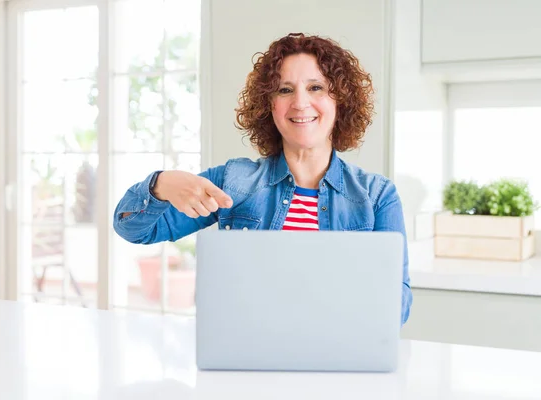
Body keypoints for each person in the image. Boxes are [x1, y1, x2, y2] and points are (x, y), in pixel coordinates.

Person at [114, 33, 413, 324]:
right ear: (269, 105)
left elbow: (397, 308)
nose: (300, 102)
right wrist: (161, 184)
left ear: (341, 101)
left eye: (316, 87)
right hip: (249, 359)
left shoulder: (377, 196)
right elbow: (132, 228)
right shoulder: (234, 181)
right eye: (285, 90)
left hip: (338, 359)